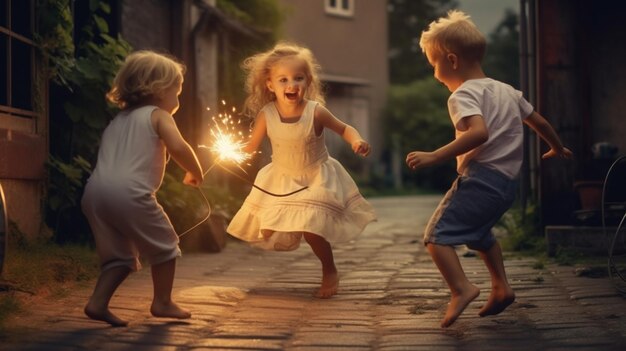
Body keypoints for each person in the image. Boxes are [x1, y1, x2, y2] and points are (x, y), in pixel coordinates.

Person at [407, 11, 573, 328]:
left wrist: (435, 155)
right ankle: (502, 287)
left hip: (480, 179)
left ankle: (461, 288)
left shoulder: (463, 94)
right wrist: (556, 146)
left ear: (451, 60)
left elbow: (478, 133)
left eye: (434, 66)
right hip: (507, 186)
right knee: (480, 234)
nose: (435, 75)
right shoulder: (507, 90)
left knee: (435, 237)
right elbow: (537, 121)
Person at [227, 42, 376, 298]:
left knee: (310, 227)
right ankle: (287, 234)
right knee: (269, 224)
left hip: (316, 175)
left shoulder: (315, 112)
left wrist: (356, 141)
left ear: (308, 81)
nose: (291, 85)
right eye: (283, 80)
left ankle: (329, 270)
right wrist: (232, 152)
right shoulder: (267, 114)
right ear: (270, 85)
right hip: (281, 179)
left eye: (298, 78)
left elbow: (344, 129)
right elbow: (250, 146)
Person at [81, 50, 204, 326]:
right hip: (130, 194)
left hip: (95, 194)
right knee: (166, 245)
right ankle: (162, 302)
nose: (178, 100)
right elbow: (179, 146)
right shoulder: (159, 116)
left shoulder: (117, 121)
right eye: (178, 92)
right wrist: (195, 170)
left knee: (120, 258)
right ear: (160, 89)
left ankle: (97, 303)